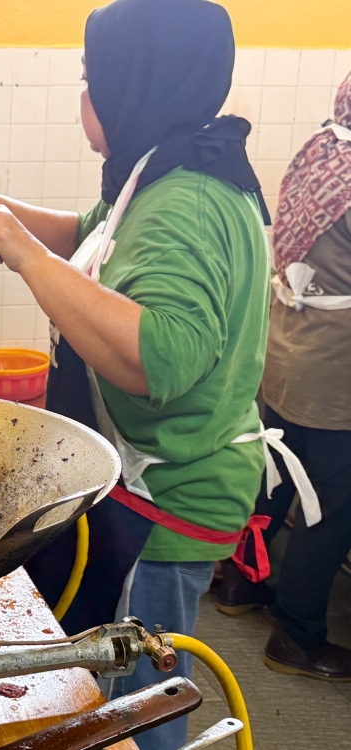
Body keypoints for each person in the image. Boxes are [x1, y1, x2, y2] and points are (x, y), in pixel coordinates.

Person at [0, 1, 272, 747]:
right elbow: (94, 240)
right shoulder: (168, 164)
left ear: (134, 84)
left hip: (166, 493)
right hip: (150, 477)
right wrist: (1, 212)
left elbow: (159, 359)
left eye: (91, 79)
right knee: (112, 670)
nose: (84, 97)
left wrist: (24, 253)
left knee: (138, 698)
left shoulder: (189, 202)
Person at [215, 72, 351, 681]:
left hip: (288, 349)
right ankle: (297, 637)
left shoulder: (323, 150)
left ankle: (241, 584)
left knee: (274, 479)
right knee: (329, 507)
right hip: (334, 368)